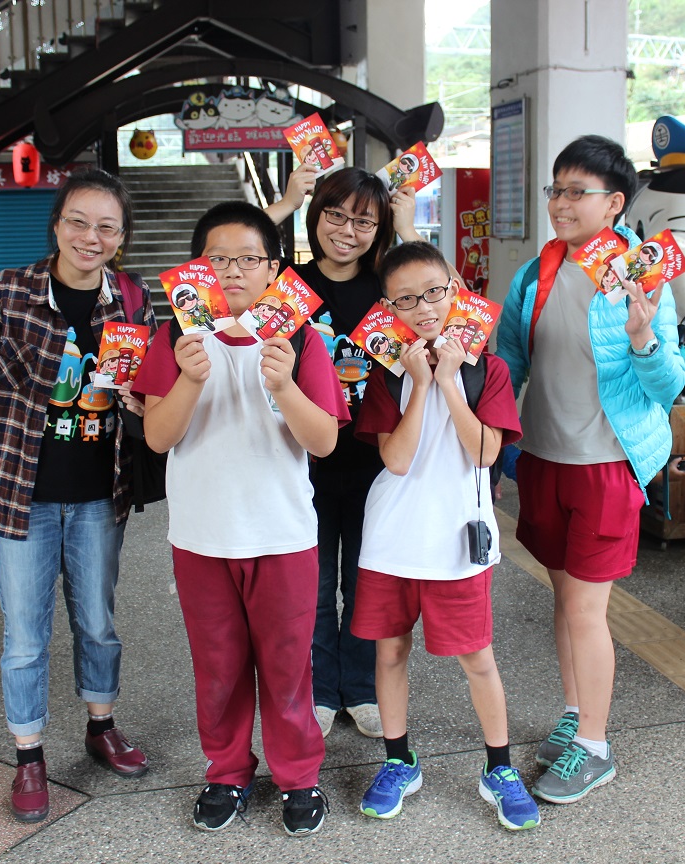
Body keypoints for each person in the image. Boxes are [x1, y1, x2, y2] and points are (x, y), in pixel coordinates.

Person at [0, 169, 155, 823]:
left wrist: (144, 398)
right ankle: (29, 757)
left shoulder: (134, 301)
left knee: (99, 623)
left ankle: (99, 724)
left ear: (120, 238)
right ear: (56, 225)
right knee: (25, 637)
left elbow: (143, 394)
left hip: (97, 494)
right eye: (78, 221)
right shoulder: (8, 289)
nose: (91, 236)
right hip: (18, 493)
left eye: (106, 226)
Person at [133, 201, 349, 836]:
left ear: (273, 268)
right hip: (200, 536)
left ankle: (298, 775)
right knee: (218, 664)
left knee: (288, 663)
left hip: (281, 535)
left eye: (248, 259)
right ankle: (226, 769)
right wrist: (190, 380)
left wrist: (283, 387)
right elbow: (156, 434)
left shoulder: (298, 337)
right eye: (217, 259)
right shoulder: (175, 336)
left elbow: (324, 442)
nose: (232, 272)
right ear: (196, 268)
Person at [495, 135, 685, 805]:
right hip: (544, 460)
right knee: (563, 600)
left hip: (606, 464)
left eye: (578, 192)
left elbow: (668, 385)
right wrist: (484, 431)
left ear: (615, 203)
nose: (562, 203)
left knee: (584, 608)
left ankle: (597, 747)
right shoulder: (536, 272)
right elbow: (510, 361)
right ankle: (576, 715)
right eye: (556, 189)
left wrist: (643, 337)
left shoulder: (642, 275)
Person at [351, 241, 539, 832]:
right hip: (391, 538)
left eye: (434, 292)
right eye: (406, 298)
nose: (424, 307)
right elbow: (398, 460)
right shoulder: (386, 371)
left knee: (477, 657)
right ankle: (399, 760)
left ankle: (499, 768)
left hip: (457, 540)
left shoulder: (488, 366)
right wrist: (421, 383)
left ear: (454, 288)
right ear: (389, 306)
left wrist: (452, 382)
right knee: (390, 650)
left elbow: (485, 452)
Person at [265, 164, 431, 740]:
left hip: (372, 459)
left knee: (365, 580)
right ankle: (318, 685)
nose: (347, 230)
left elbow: (447, 304)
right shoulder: (286, 283)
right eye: (334, 215)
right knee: (308, 584)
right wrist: (286, 201)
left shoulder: (388, 287)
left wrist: (408, 227)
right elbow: (226, 265)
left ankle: (360, 686)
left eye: (364, 220)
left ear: (379, 227)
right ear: (316, 217)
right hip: (299, 460)